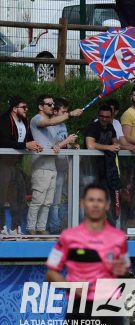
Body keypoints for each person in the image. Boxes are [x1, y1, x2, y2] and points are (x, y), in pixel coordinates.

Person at [46, 184, 130, 325]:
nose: (95, 204)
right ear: (82, 203)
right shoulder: (68, 237)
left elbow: (125, 273)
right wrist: (71, 286)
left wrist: (122, 272)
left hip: (109, 306)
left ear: (107, 205)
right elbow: (50, 274)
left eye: (100, 200)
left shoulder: (119, 238)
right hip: (79, 307)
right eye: (91, 200)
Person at [28, 94, 82, 235]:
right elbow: (49, 123)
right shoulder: (36, 119)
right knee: (37, 201)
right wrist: (70, 114)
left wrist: (67, 144)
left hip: (53, 166)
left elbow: (55, 146)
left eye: (53, 104)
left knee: (47, 202)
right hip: (40, 166)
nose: (52, 106)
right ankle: (31, 229)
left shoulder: (52, 126)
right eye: (49, 104)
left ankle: (41, 229)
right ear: (40, 106)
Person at [0, 96, 43, 236]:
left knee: (20, 195)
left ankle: (15, 227)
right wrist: (25, 145)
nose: (26, 109)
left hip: (15, 164)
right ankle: (1, 228)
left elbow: (28, 140)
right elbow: (3, 142)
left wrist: (35, 144)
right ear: (14, 108)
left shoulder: (24, 121)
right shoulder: (4, 120)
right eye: (23, 107)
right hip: (3, 163)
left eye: (26, 107)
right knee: (2, 196)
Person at [48, 98, 80, 234]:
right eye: (63, 112)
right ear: (55, 111)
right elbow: (52, 146)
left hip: (64, 166)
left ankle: (62, 225)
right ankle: (54, 228)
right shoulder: (49, 125)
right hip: (52, 166)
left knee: (66, 197)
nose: (66, 114)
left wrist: (72, 145)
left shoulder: (63, 125)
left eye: (67, 112)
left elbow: (63, 144)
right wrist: (66, 141)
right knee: (54, 199)